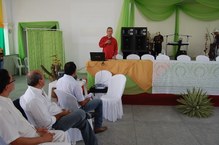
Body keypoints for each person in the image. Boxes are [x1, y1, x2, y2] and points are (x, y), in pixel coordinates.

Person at [20, 70, 98, 145]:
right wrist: (62, 114)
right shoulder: (33, 99)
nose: (45, 78)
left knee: (83, 121)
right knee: (81, 112)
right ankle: (85, 114)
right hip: (52, 125)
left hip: (56, 116)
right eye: (43, 77)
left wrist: (60, 110)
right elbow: (46, 123)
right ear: (40, 81)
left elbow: (50, 105)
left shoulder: (37, 90)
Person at [0, 69, 70, 145]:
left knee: (63, 135)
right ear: (6, 87)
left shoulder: (7, 100)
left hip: (32, 133)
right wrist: (42, 139)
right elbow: (15, 141)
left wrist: (36, 130)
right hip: (28, 141)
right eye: (12, 79)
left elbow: (20, 124)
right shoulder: (2, 110)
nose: (14, 81)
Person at [56, 62, 107, 134]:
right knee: (99, 102)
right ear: (74, 71)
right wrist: (88, 98)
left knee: (86, 98)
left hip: (63, 107)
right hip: (77, 109)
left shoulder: (59, 81)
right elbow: (82, 103)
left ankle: (90, 117)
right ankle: (97, 127)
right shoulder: (75, 84)